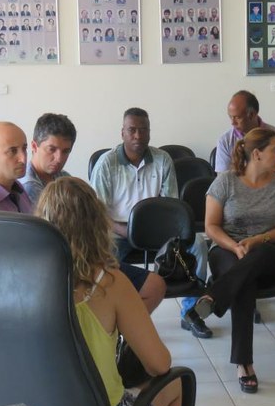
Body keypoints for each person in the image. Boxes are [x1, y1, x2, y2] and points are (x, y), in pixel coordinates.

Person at [35, 177, 182, 406]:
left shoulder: (18, 281)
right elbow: (159, 365)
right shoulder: (108, 282)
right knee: (177, 384)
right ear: (96, 223)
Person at [18, 113, 166, 314]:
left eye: (66, 151)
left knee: (154, 286)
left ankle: (116, 330)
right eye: (52, 149)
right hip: (62, 269)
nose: (59, 158)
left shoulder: (64, 178)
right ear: (35, 146)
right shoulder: (28, 188)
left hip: (84, 259)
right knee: (137, 290)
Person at [90, 108, 212, 338]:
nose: (138, 135)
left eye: (143, 130)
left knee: (198, 245)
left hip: (160, 230)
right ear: (122, 133)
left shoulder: (162, 159)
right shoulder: (106, 164)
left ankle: (191, 312)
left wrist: (162, 231)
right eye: (132, 130)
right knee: (101, 262)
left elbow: (171, 204)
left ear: (149, 132)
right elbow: (98, 212)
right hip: (118, 231)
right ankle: (112, 318)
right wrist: (125, 231)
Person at [188, 128, 275, 393]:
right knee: (243, 281)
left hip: (267, 251)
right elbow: (211, 226)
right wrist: (235, 246)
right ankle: (244, 363)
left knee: (255, 259)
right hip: (227, 249)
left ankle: (213, 297)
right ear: (257, 154)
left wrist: (256, 240)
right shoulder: (225, 182)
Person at [215, 90, 275, 173]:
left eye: (237, 117)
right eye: (230, 117)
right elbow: (223, 177)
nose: (232, 123)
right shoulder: (225, 141)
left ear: (251, 114)